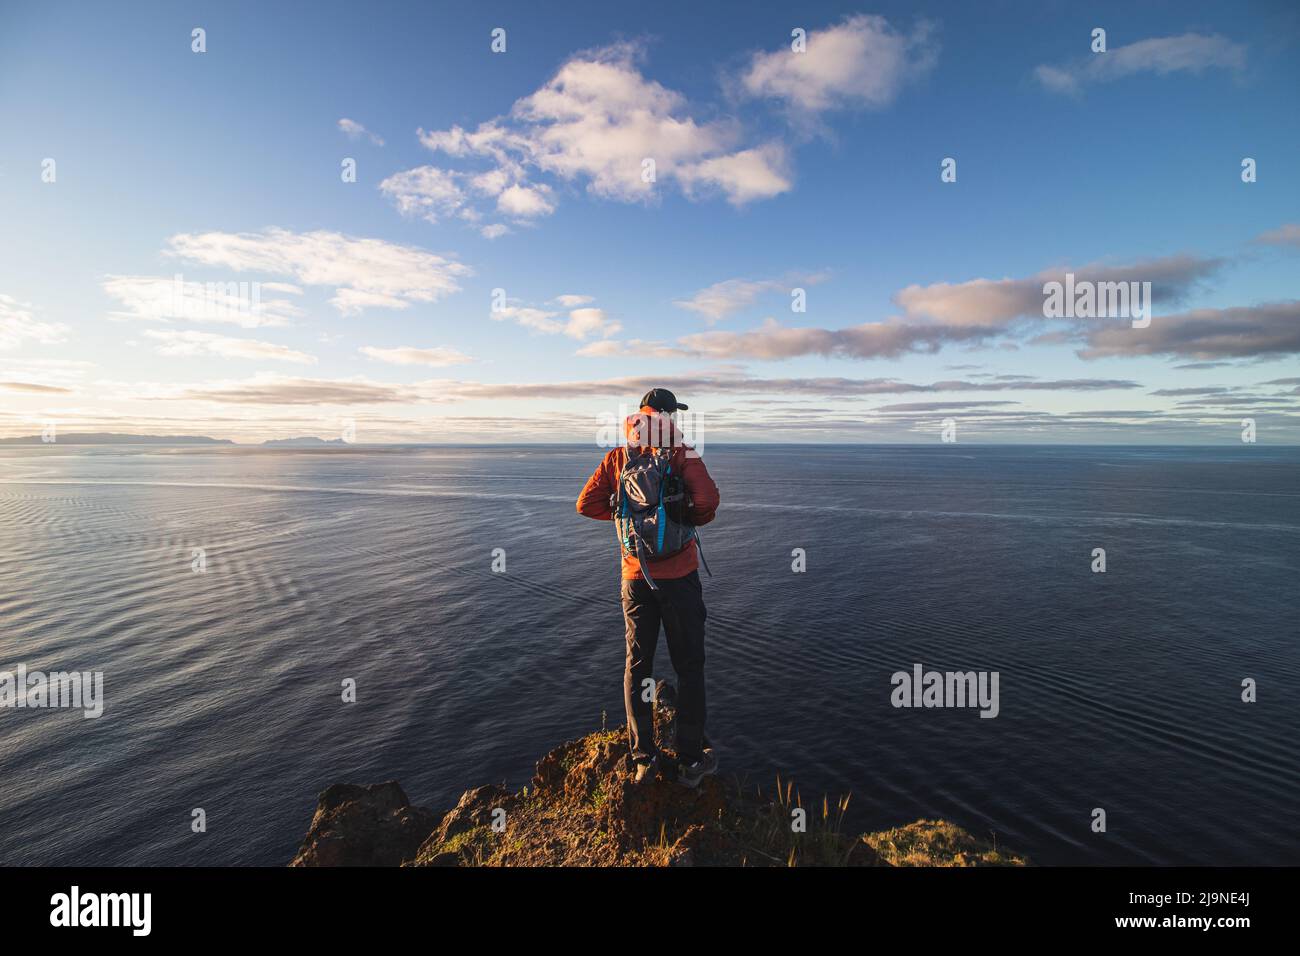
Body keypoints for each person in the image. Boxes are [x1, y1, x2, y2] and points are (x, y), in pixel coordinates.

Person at [576, 388, 721, 787]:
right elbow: (708, 500)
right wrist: (682, 523)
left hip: (635, 578)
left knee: (637, 665)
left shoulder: (619, 456)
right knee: (689, 667)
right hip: (679, 579)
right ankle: (691, 760)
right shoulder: (681, 452)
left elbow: (585, 505)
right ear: (670, 415)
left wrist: (628, 520)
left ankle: (643, 756)